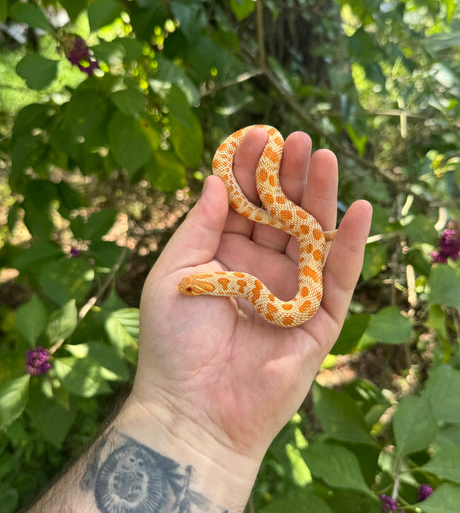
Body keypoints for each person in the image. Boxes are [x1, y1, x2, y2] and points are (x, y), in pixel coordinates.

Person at [26, 127, 372, 513]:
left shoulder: (252, 288)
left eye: (194, 288)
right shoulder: (242, 286)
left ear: (215, 286)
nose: (187, 289)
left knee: (299, 215)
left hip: (277, 237)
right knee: (301, 224)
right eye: (193, 288)